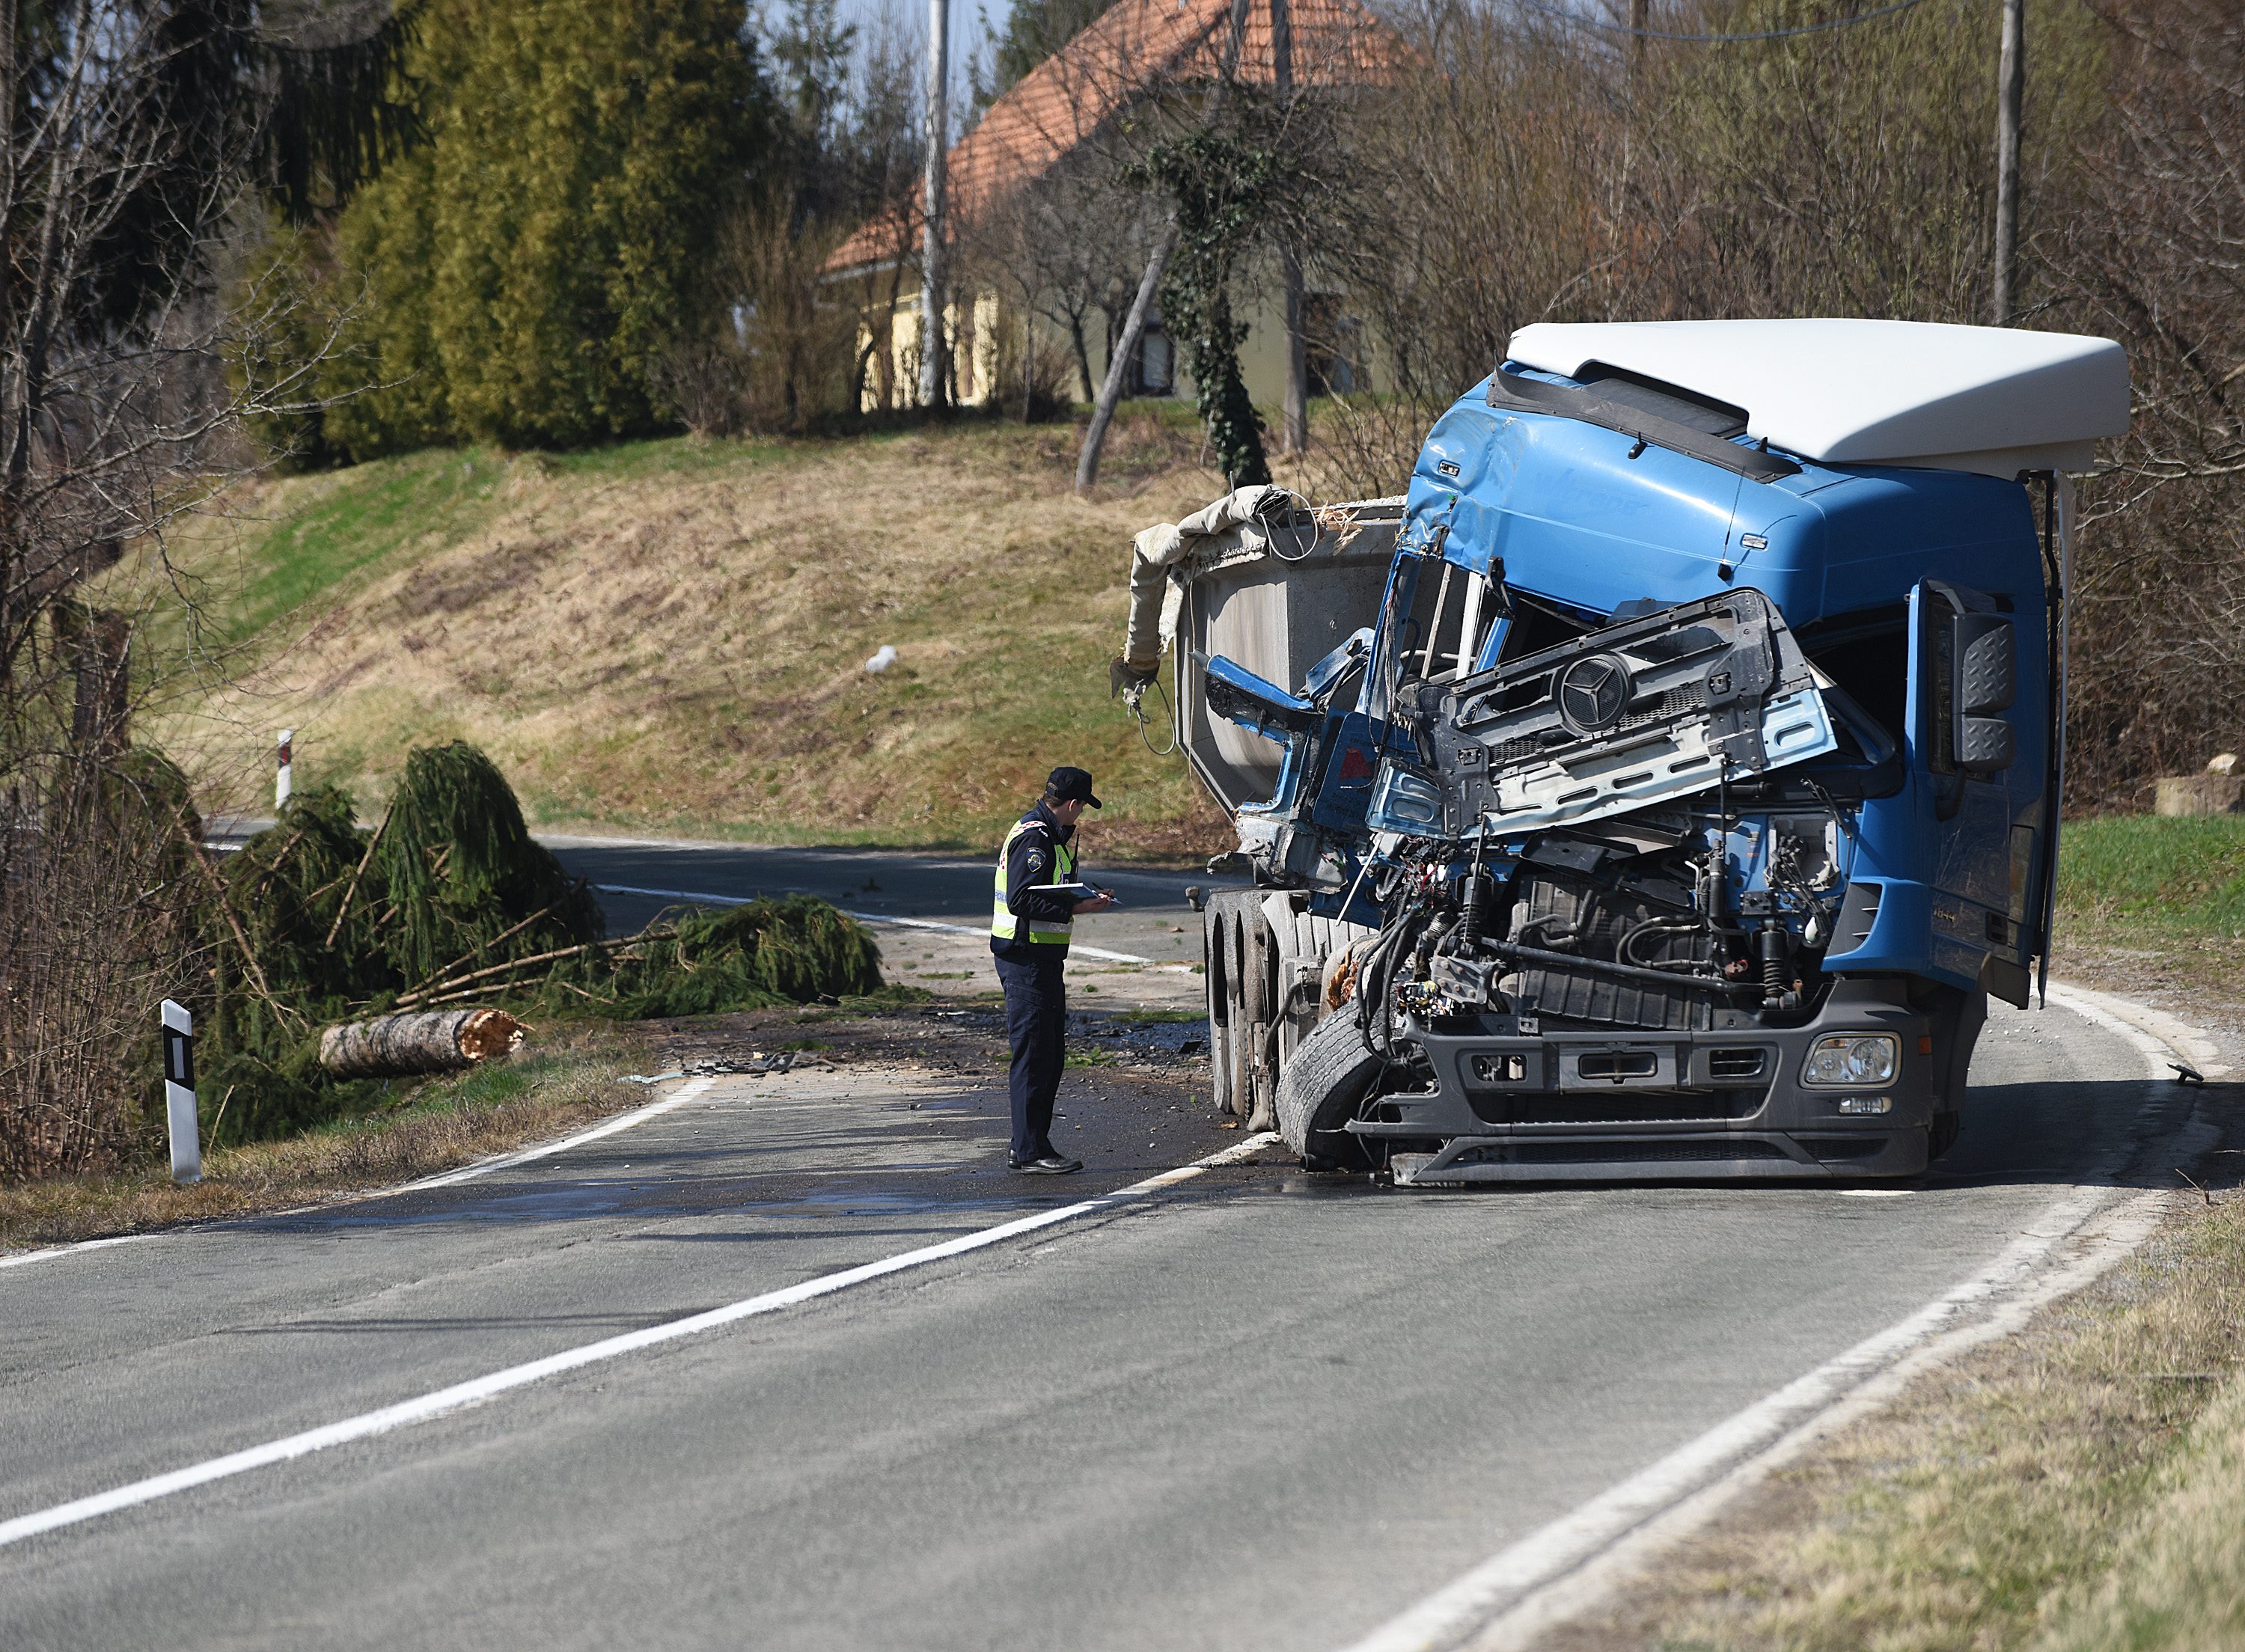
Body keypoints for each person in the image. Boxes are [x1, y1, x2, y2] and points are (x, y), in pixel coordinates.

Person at [990, 766, 1117, 1173]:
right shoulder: (1036, 837)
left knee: (1046, 1054)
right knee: (1035, 1056)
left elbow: (1047, 888)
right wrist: (1078, 906)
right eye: (1082, 808)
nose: (1081, 816)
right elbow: (1021, 899)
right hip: (1026, 960)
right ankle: (1029, 1152)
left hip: (1038, 960)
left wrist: (1083, 894)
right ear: (1074, 803)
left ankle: (1028, 1144)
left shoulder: (1048, 835)